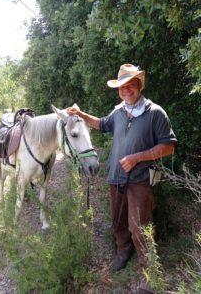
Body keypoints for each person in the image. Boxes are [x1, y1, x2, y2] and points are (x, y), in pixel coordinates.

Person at [67, 64, 177, 294]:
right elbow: (101, 124)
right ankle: (123, 253)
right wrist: (80, 114)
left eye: (131, 85)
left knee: (140, 227)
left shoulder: (155, 112)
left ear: (139, 85)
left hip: (139, 179)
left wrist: (138, 157)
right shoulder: (118, 112)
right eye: (122, 87)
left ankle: (149, 275)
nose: (126, 90)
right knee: (117, 222)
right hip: (116, 177)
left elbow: (168, 147)